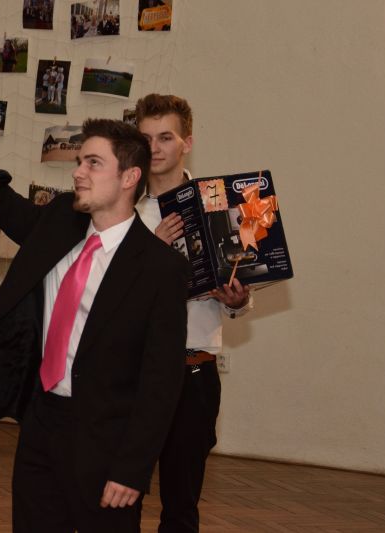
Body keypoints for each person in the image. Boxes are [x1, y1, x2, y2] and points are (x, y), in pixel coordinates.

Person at [0, 118, 190, 532]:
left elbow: (161, 383)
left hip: (107, 442)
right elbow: (1, 201)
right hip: (41, 423)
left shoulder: (161, 268)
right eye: (79, 161)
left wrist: (132, 469)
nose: (78, 172)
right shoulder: (60, 219)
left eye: (93, 163)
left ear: (129, 177)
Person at [134, 93, 253, 532]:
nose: (154, 148)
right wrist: (153, 251)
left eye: (165, 137)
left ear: (187, 142)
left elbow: (239, 283)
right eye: (146, 138)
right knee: (117, 499)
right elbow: (106, 295)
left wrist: (238, 301)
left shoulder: (217, 205)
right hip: (131, 372)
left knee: (181, 507)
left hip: (194, 371)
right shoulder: (122, 209)